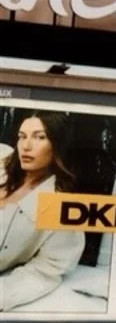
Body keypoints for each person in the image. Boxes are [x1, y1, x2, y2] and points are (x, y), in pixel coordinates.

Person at [0, 110, 85, 312]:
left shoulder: (61, 208)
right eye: (22, 136)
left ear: (57, 144)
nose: (26, 146)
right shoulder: (2, 156)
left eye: (40, 137)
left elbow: (47, 269)